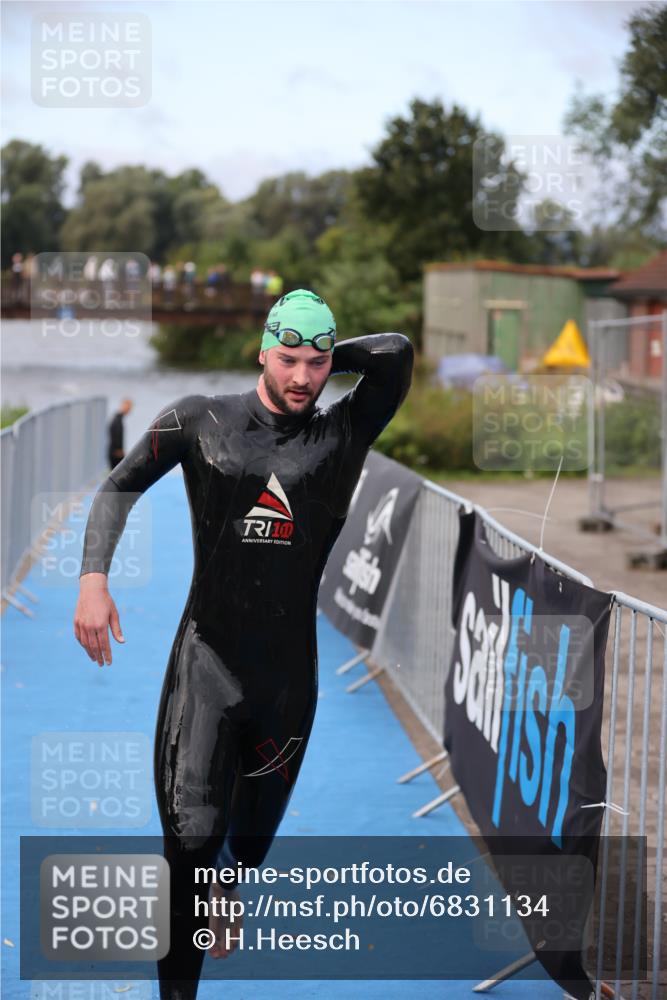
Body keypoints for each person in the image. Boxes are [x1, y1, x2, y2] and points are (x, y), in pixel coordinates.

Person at [73, 289, 414, 1000]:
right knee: (189, 845)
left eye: (316, 365)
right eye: (287, 359)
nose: (302, 377)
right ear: (261, 351)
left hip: (285, 684)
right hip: (206, 664)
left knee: (243, 849)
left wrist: (327, 348)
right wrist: (93, 581)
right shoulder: (199, 420)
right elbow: (118, 485)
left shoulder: (343, 432)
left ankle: (226, 881)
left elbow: (394, 355)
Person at [107, 398, 133, 470]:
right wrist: (119, 450)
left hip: (115, 451)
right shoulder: (117, 419)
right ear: (123, 406)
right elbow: (114, 433)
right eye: (129, 407)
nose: (130, 409)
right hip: (115, 453)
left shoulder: (118, 418)